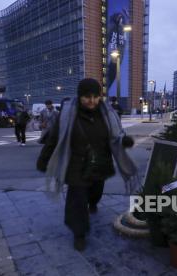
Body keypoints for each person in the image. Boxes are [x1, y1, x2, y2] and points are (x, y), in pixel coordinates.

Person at [36, 78, 138, 251]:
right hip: (75, 163)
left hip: (100, 162)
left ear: (100, 96)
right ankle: (79, 233)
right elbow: (55, 138)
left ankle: (93, 202)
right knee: (76, 199)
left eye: (95, 96)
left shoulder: (107, 113)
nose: (91, 101)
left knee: (95, 191)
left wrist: (124, 141)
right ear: (79, 96)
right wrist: (44, 159)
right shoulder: (68, 114)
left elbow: (117, 135)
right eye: (87, 97)